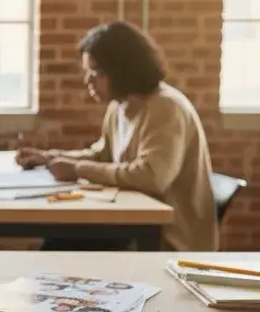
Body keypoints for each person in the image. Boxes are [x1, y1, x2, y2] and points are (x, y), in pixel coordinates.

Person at [15, 21, 218, 252]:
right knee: (59, 241)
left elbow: (152, 176)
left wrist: (77, 169)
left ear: (122, 69)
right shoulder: (120, 105)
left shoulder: (166, 108)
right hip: (133, 221)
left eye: (96, 72)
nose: (87, 81)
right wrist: (49, 157)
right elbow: (103, 154)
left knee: (62, 246)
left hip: (169, 236)